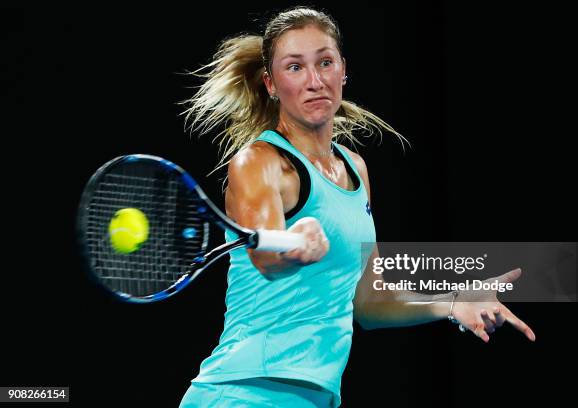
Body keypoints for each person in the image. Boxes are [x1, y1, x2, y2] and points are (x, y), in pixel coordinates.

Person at [179, 7, 536, 408]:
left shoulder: (355, 169)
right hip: (246, 392)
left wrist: (450, 303)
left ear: (343, 70)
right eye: (294, 67)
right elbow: (265, 257)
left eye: (325, 62)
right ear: (271, 83)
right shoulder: (259, 162)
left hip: (313, 397)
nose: (315, 81)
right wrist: (293, 246)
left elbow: (368, 299)